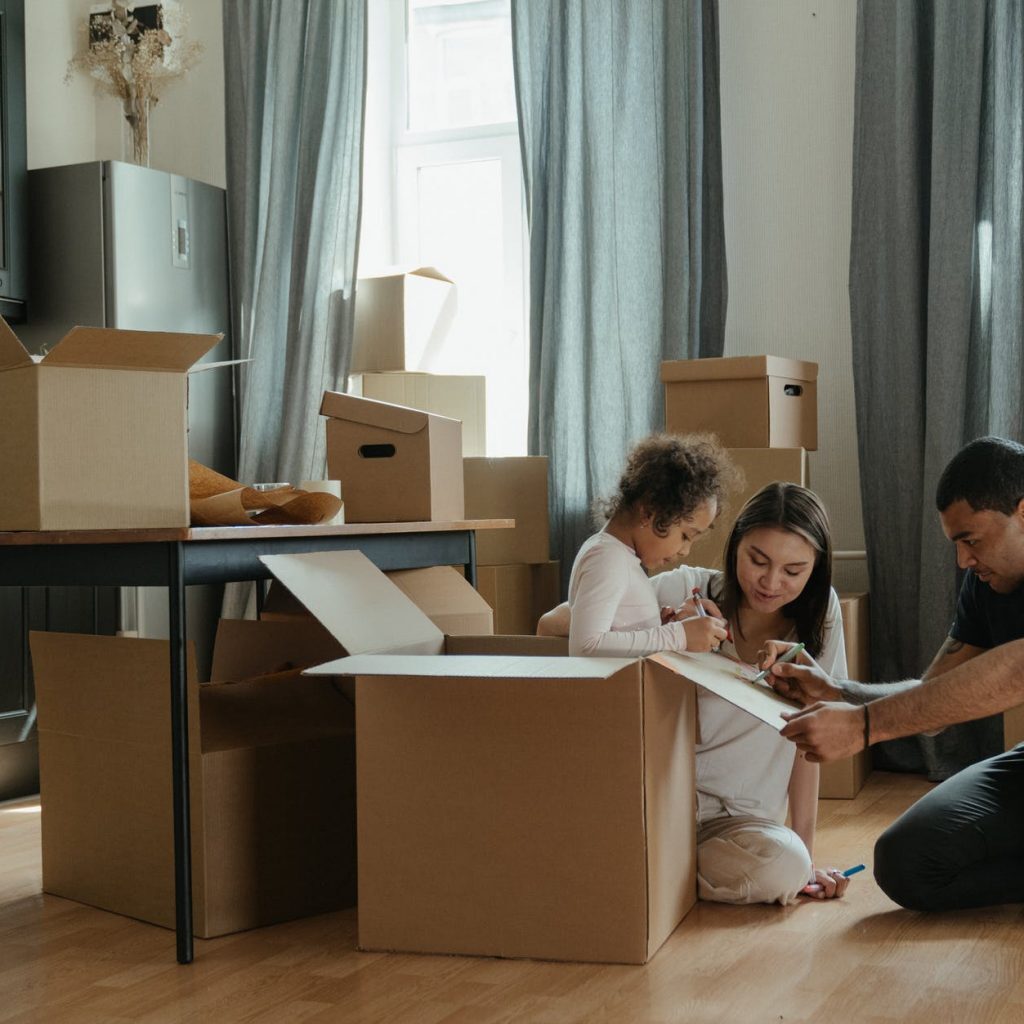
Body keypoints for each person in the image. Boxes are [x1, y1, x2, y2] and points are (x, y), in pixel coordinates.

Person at [543, 477, 852, 905]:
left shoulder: (822, 619)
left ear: (815, 570)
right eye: (757, 560)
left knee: (787, 866)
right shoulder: (684, 587)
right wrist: (665, 628)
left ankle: (647, 873)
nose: (770, 582)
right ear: (735, 546)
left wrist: (807, 855)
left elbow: (810, 740)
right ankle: (652, 870)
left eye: (794, 571)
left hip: (741, 825)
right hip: (661, 805)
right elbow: (552, 624)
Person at [766, 436, 1024, 911]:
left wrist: (864, 727)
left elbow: (1016, 671)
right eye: (956, 543)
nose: (962, 560)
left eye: (972, 540)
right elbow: (937, 697)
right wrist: (841, 692)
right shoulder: (985, 581)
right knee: (906, 862)